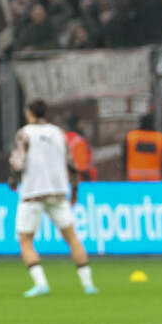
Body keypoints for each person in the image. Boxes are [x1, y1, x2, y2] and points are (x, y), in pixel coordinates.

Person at [8, 99, 98, 297]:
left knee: (26, 240)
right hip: (58, 192)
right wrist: (74, 191)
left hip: (32, 193)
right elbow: (72, 164)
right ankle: (88, 285)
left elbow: (17, 163)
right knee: (72, 237)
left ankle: (41, 284)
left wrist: (13, 181)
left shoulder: (24, 134)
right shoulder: (58, 133)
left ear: (29, 112)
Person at [122, 114, 162, 181]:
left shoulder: (131, 137)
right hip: (154, 180)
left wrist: (124, 172)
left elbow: (124, 157)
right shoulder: (160, 138)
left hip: (134, 179)